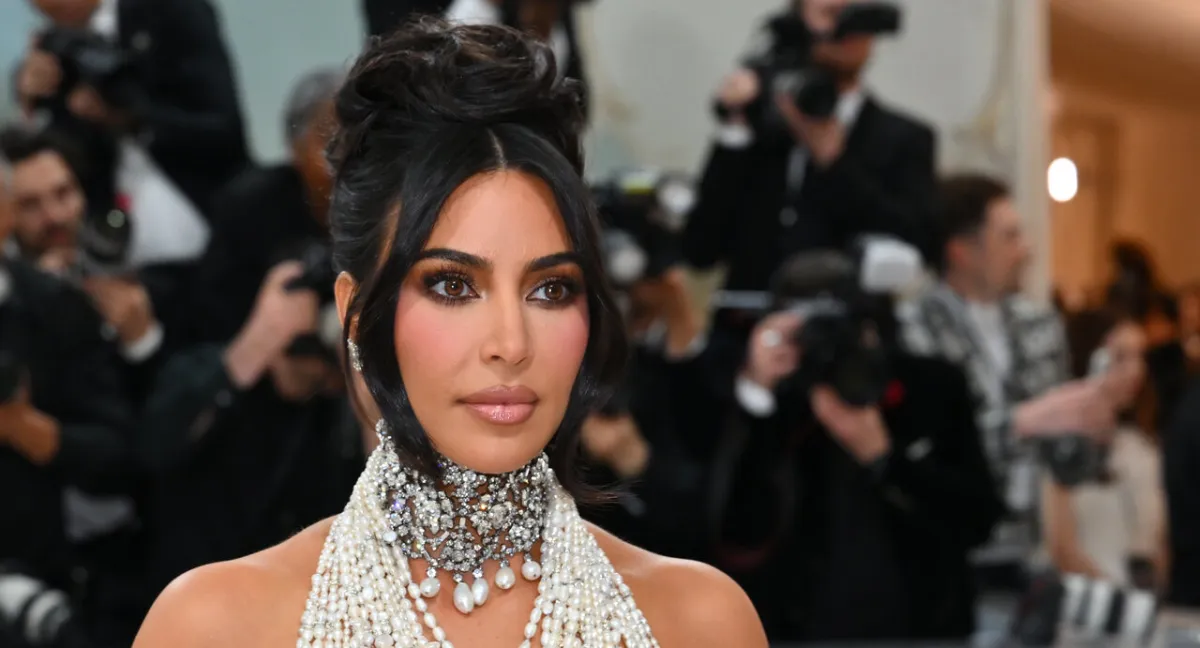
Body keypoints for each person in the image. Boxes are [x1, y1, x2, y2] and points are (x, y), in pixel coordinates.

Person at [133, 20, 766, 648]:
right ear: (358, 314)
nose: (511, 342)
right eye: (453, 286)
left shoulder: (701, 622)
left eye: (551, 289)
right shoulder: (213, 626)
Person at [711, 249, 1004, 642]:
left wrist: (883, 458)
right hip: (800, 629)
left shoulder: (931, 386)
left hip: (925, 628)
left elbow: (978, 521)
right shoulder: (775, 403)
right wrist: (756, 397)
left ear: (871, 323)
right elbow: (735, 538)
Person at [899, 174, 1116, 589]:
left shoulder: (1040, 325)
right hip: (941, 560)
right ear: (962, 251)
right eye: (1010, 237)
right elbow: (928, 452)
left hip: (1026, 560)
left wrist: (1090, 427)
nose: (1026, 250)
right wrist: (1025, 421)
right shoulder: (915, 329)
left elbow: (1068, 468)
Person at [1041, 311, 1166, 590]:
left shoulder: (1140, 445)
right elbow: (1063, 549)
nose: (1136, 370)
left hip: (1141, 608)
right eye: (1120, 358)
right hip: (1085, 609)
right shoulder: (1062, 444)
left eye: (1140, 356)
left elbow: (1157, 543)